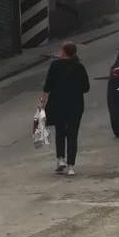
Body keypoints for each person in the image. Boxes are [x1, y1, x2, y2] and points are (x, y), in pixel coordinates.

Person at [38, 42, 89, 176]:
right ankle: (71, 166)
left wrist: (42, 103)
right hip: (76, 105)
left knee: (60, 131)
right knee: (73, 133)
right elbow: (86, 88)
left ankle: (61, 159)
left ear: (64, 52)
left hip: (58, 103)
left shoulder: (55, 66)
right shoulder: (79, 67)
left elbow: (47, 85)